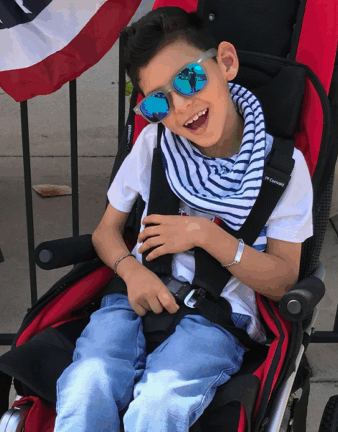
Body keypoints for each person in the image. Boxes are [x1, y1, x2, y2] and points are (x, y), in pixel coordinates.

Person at [54, 7, 314, 432]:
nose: (182, 107)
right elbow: (106, 232)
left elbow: (285, 279)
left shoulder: (282, 168)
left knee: (157, 409)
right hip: (134, 295)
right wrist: (130, 272)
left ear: (225, 63)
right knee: (86, 386)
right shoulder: (155, 145)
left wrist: (204, 234)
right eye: (159, 101)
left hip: (217, 317)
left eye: (190, 80)